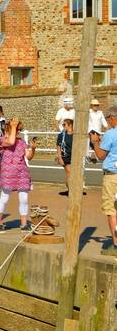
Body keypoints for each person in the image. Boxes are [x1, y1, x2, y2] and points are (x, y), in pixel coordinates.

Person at [0, 118, 36, 232]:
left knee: (24, 199)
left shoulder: (22, 142)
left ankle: (24, 223)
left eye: (18, 130)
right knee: (4, 198)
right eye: (16, 129)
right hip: (8, 173)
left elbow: (28, 157)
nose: (18, 132)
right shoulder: (3, 140)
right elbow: (11, 142)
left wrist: (33, 148)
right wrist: (13, 126)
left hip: (22, 172)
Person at [89, 106, 117, 256]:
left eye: (108, 119)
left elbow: (100, 155)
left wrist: (95, 142)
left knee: (111, 210)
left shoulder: (111, 133)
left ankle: (116, 245)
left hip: (112, 176)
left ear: (112, 118)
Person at [57, 118, 83, 197]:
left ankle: (73, 189)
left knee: (74, 175)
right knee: (69, 173)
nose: (63, 126)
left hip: (75, 157)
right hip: (66, 157)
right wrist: (59, 157)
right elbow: (58, 146)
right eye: (63, 125)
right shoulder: (62, 135)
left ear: (70, 125)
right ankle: (71, 191)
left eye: (64, 124)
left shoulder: (76, 134)